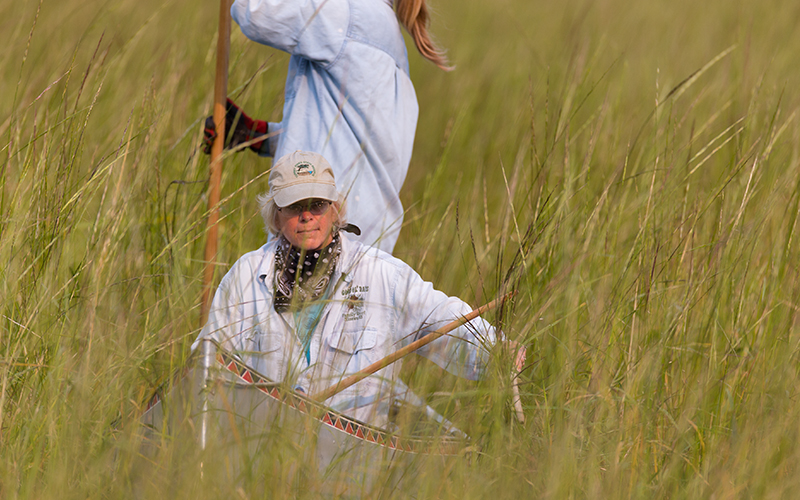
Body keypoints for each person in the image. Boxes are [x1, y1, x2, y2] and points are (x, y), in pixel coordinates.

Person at [193, 151, 524, 429]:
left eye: (317, 204)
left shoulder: (380, 273)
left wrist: (493, 348)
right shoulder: (245, 276)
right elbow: (205, 365)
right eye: (295, 207)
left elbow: (440, 318)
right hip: (261, 455)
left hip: (355, 460)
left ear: (335, 209)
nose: (307, 216)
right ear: (276, 217)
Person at [203, 0, 451, 255]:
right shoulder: (387, 35)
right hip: (364, 246)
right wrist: (261, 137)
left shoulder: (347, 14)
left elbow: (253, 11)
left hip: (320, 235)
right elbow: (350, 141)